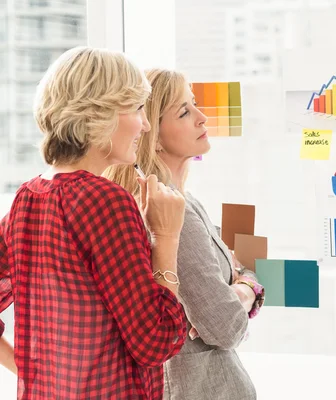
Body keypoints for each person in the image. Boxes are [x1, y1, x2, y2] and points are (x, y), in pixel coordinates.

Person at [0, 47, 188, 399]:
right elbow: (156, 343)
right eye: (136, 109)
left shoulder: (27, 198)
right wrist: (166, 236)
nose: (145, 125)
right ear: (99, 113)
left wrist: (31, 372)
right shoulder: (107, 201)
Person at [105, 69, 264, 400]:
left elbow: (243, 271)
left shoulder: (182, 201)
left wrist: (244, 287)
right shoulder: (172, 211)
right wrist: (244, 291)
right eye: (184, 112)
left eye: (195, 105)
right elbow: (226, 326)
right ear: (153, 133)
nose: (202, 117)